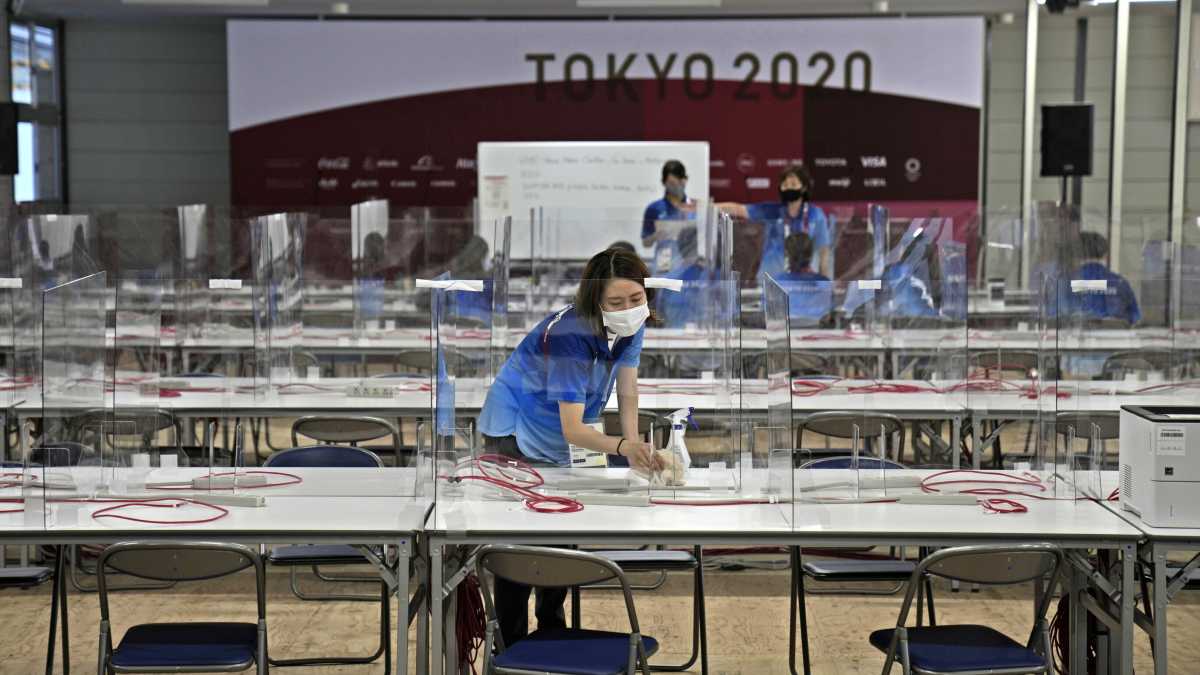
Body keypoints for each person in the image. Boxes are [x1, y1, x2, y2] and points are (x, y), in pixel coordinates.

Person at [477, 247, 664, 647]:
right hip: (515, 430)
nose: (629, 308)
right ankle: (509, 647)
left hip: (560, 431)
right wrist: (623, 447)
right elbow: (573, 430)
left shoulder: (633, 322)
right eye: (616, 302)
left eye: (636, 299)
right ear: (595, 301)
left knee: (561, 528)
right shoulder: (568, 336)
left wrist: (633, 443)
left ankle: (552, 635)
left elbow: (628, 392)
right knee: (521, 545)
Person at [717, 164, 832, 282]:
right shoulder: (771, 210)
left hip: (803, 282)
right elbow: (739, 209)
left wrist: (825, 283)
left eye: (793, 184)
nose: (788, 188)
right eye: (785, 185)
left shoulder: (815, 214)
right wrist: (710, 207)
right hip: (771, 279)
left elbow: (824, 251)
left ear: (803, 188)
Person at [1071, 231, 1141, 326]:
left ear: (1077, 254)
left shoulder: (1068, 281)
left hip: (1075, 337)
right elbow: (1135, 316)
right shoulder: (1119, 282)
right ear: (1105, 255)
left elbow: (1055, 314)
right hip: (1115, 337)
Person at [642, 160, 697, 274]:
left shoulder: (694, 207)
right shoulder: (654, 208)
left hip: (689, 265)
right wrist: (655, 236)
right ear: (664, 182)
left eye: (679, 182)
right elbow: (645, 243)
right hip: (664, 266)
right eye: (672, 183)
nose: (676, 186)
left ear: (685, 180)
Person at [773, 232, 831, 324]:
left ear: (786, 254)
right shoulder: (823, 282)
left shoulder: (775, 282)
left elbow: (769, 315)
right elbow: (826, 317)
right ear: (811, 255)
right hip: (815, 333)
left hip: (782, 334)